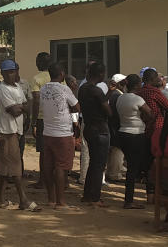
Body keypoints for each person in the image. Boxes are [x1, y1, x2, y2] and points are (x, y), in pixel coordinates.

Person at [0, 59, 34, 210]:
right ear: (3, 74)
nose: (13, 74)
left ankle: (1, 199)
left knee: (5, 168)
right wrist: (22, 108)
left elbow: (26, 106)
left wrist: (22, 108)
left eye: (14, 71)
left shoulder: (17, 87)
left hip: (16, 131)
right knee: (16, 167)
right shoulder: (3, 89)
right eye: (9, 72)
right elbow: (15, 111)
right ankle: (23, 199)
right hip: (7, 132)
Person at [39, 62, 79, 209]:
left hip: (48, 131)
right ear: (62, 74)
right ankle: (61, 202)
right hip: (63, 132)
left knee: (49, 167)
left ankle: (51, 199)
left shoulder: (43, 88)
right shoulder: (64, 88)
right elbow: (76, 107)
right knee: (61, 167)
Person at [117, 74, 153, 208]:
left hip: (123, 132)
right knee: (134, 168)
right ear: (137, 85)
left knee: (131, 166)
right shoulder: (138, 99)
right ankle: (129, 201)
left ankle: (129, 199)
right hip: (136, 134)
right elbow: (150, 114)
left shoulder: (120, 97)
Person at [78, 61, 111, 206]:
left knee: (93, 163)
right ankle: (95, 197)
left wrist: (109, 92)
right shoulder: (96, 90)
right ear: (101, 74)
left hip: (89, 127)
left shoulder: (83, 88)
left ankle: (87, 195)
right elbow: (108, 111)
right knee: (99, 165)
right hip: (100, 130)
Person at [29, 52, 52, 189]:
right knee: (54, 150)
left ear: (42, 63)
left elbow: (36, 100)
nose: (36, 63)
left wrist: (33, 122)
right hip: (56, 119)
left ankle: (43, 180)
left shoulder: (36, 78)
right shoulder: (58, 77)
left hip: (42, 119)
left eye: (37, 61)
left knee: (43, 152)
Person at [106, 73, 127, 181]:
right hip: (116, 125)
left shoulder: (113, 94)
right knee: (117, 150)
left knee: (112, 150)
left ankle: (110, 171)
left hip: (111, 125)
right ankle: (114, 174)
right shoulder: (117, 95)